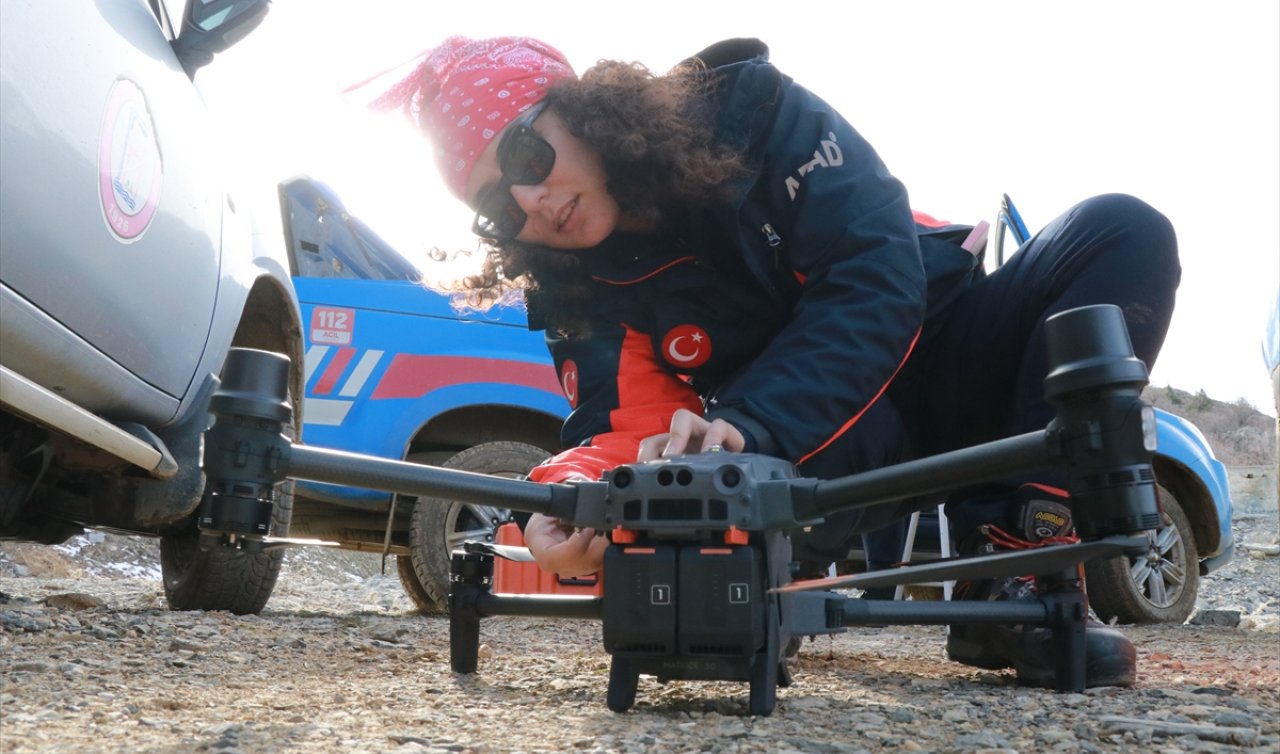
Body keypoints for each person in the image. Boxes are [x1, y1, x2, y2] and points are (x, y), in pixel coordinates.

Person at [363, 36, 1181, 688]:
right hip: (829, 459)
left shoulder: (751, 115)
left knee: (1122, 230)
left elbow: (876, 274)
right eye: (498, 209)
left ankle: (1022, 567)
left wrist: (749, 421)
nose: (532, 202)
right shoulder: (580, 284)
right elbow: (619, 423)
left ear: (580, 110)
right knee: (709, 483)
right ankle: (740, 601)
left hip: (957, 366)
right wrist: (572, 499)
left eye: (524, 160)